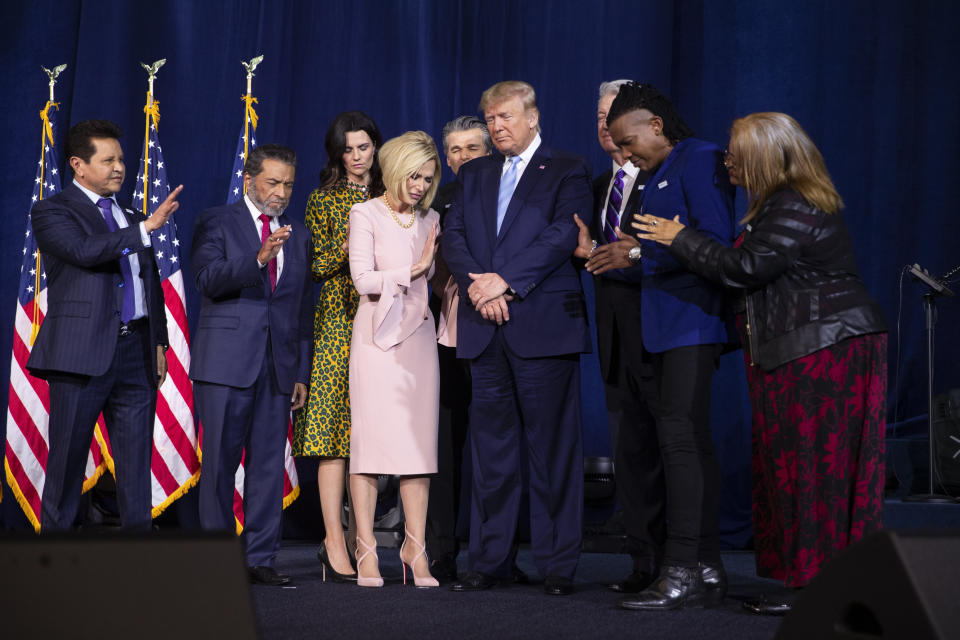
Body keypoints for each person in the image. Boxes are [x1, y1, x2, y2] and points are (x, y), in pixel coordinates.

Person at [632, 111, 888, 615]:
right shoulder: (778, 205)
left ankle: (826, 588)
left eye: (736, 154)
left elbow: (747, 269)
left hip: (825, 350)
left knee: (818, 470)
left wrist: (677, 238)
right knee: (797, 466)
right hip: (801, 347)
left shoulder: (796, 203)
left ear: (765, 159)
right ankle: (811, 583)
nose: (727, 160)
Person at [442, 81, 593, 597]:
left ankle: (556, 566)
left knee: (551, 451)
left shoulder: (568, 168)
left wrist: (502, 281)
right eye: (490, 119)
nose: (496, 126)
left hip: (542, 325)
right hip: (484, 327)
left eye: (505, 116)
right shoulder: (475, 173)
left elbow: (562, 236)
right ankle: (489, 560)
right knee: (491, 452)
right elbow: (455, 237)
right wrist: (480, 288)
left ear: (532, 117)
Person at [602, 82, 735, 610]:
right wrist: (629, 254)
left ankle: (678, 570)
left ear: (655, 125)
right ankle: (705, 567)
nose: (624, 153)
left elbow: (716, 241)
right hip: (664, 326)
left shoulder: (699, 159)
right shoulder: (659, 172)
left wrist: (639, 255)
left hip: (692, 324)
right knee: (686, 444)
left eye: (629, 141)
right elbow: (659, 248)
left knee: (682, 446)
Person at [28, 119, 180, 531]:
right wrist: (144, 230)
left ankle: (137, 569)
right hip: (80, 355)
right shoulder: (53, 210)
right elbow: (83, 249)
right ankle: (50, 565)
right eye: (108, 159)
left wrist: (159, 343)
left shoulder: (130, 214)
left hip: (136, 355)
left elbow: (150, 283)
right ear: (78, 164)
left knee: (134, 468)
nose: (119, 167)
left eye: (121, 159)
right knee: (66, 464)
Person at [191, 144, 313, 586]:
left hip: (278, 368)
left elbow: (301, 309)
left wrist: (300, 371)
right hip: (226, 364)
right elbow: (208, 280)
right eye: (273, 183)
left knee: (267, 466)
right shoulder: (216, 221)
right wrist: (258, 258)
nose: (281, 193)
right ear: (249, 181)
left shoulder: (297, 234)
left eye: (288, 185)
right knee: (221, 464)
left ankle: (261, 559)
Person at [571, 80, 658, 594]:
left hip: (660, 332)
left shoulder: (663, 174)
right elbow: (602, 258)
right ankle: (643, 563)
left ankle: (679, 560)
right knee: (630, 453)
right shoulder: (600, 185)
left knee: (667, 450)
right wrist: (590, 255)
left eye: (616, 113)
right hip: (614, 336)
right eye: (600, 115)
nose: (606, 124)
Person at [347, 130, 442, 588]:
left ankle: (415, 549)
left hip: (419, 339)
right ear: (393, 170)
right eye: (413, 176)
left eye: (427, 178)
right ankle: (366, 548)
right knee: (368, 448)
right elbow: (362, 279)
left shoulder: (432, 219)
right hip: (374, 338)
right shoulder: (364, 213)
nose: (420, 186)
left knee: (417, 448)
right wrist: (415, 269)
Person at [293, 111, 384, 583]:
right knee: (334, 437)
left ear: (375, 148)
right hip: (335, 322)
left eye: (363, 148)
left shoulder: (389, 196)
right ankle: (333, 539)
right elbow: (317, 264)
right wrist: (357, 234)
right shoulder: (324, 199)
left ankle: (361, 537)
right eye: (347, 150)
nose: (355, 157)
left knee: (371, 436)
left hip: (383, 320)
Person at [425, 114, 493, 581]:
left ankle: (491, 555)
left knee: (492, 450)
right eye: (454, 150)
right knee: (444, 451)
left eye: (471, 148)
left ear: (489, 151)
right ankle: (441, 552)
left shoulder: (508, 197)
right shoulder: (435, 203)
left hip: (493, 335)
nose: (462, 157)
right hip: (444, 339)